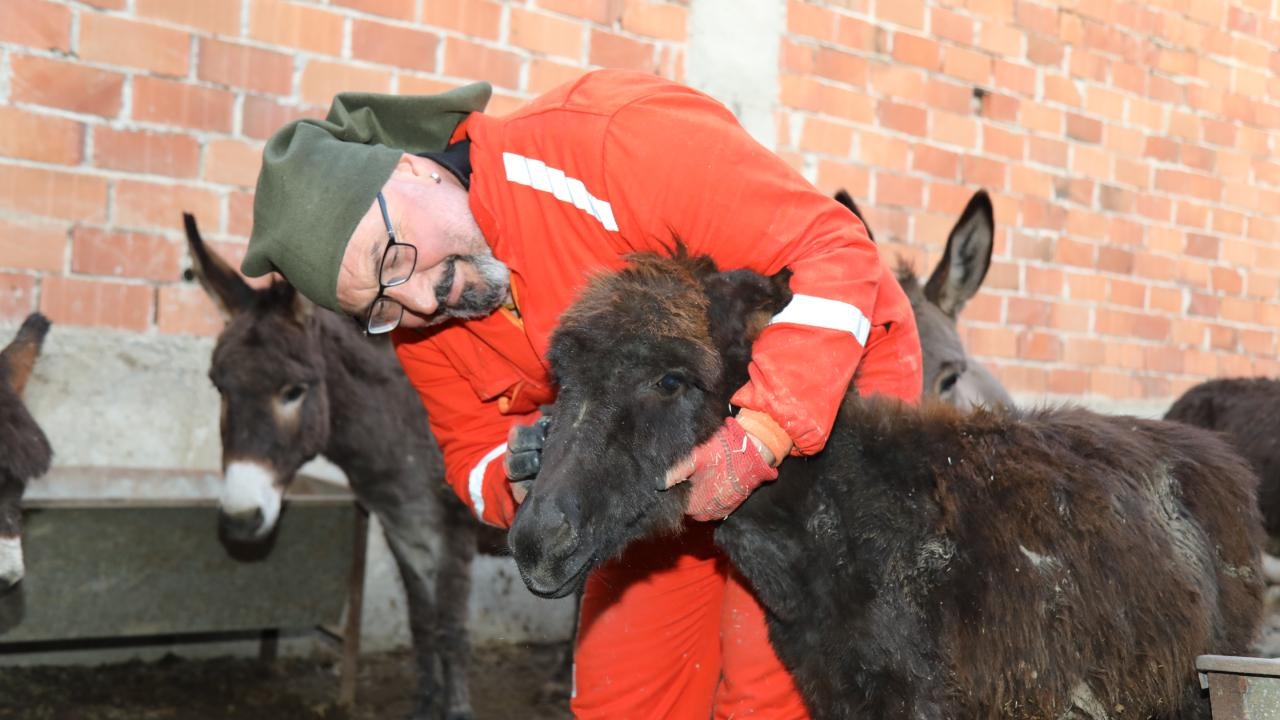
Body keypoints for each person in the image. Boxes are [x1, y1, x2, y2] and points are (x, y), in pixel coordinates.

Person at [241, 69, 923, 719]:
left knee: (771, 690)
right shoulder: (427, 325)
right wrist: (523, 474)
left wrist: (763, 436)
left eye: (392, 259)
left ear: (412, 169)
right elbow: (471, 457)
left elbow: (834, 251)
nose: (420, 298)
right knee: (621, 700)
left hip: (822, 391)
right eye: (382, 307)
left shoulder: (606, 140)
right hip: (652, 461)